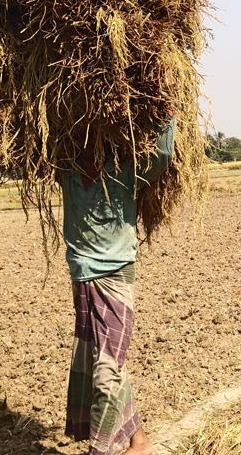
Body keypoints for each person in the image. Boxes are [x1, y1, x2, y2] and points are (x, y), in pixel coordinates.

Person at [61, 117, 176, 455]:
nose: (85, 144)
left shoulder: (124, 173)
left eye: (91, 135)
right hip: (81, 278)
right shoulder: (65, 171)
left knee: (106, 370)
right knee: (109, 363)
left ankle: (102, 450)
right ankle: (140, 442)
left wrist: (166, 114)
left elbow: (163, 155)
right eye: (79, 135)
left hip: (116, 277)